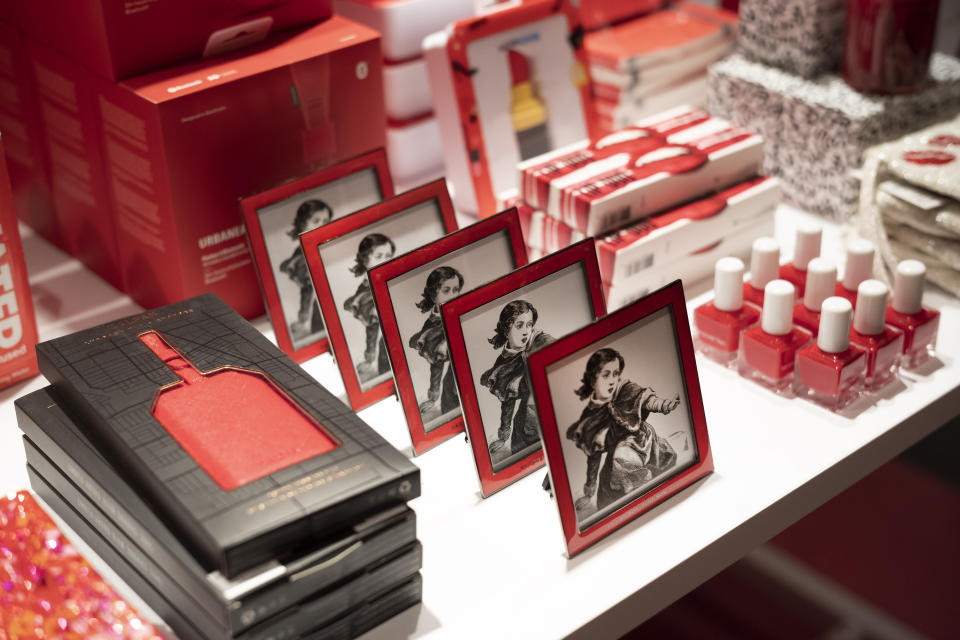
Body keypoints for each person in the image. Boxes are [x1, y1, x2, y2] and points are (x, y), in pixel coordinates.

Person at [566, 348, 680, 514]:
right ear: (593, 378)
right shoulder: (589, 417)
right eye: (606, 374)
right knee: (608, 494)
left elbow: (647, 400)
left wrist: (664, 405)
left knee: (626, 458)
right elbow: (594, 457)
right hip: (617, 456)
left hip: (641, 443)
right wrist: (589, 492)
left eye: (616, 373)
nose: (612, 380)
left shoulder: (624, 389)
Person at [480, 300, 553, 458]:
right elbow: (508, 400)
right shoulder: (504, 362)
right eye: (519, 325)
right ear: (506, 330)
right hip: (526, 423)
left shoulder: (541, 341)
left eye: (529, 324)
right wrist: (503, 436)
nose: (526, 331)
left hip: (553, 416)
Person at [409, 266, 463, 419]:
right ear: (433, 295)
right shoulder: (431, 327)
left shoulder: (463, 311)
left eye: (456, 290)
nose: (453, 296)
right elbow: (436, 365)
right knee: (451, 392)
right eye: (446, 291)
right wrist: (433, 397)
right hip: (455, 381)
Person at [343, 233, 395, 380]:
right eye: (379, 257)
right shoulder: (365, 292)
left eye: (388, 256)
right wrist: (370, 354)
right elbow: (371, 327)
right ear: (365, 260)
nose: (385, 261)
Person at [279, 199, 332, 342]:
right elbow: (306, 291)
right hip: (317, 309)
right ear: (302, 224)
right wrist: (303, 319)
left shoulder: (331, 245)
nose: (322, 226)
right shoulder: (301, 255)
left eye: (326, 222)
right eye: (316, 221)